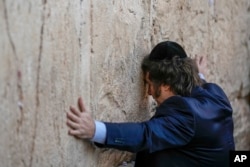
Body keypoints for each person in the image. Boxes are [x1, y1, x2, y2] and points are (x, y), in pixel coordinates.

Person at [66, 41, 235, 167]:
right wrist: (198, 73)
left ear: (166, 85)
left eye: (149, 84)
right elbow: (202, 84)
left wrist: (95, 130)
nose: (148, 93)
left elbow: (145, 134)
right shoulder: (216, 94)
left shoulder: (186, 115)